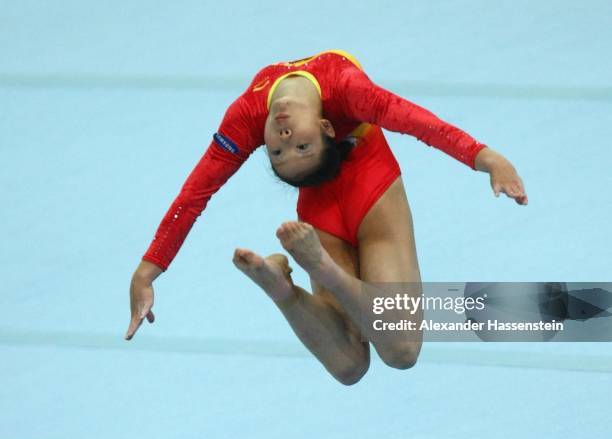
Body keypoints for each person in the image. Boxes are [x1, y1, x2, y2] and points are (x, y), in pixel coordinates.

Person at [126, 50, 528, 385]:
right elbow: (193, 195)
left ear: (327, 126)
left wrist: (485, 158)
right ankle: (303, 276)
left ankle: (288, 283)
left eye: (291, 148)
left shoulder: (339, 90)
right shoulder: (261, 116)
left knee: (389, 353)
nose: (284, 141)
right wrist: (146, 273)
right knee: (354, 364)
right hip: (327, 210)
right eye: (288, 151)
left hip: (369, 190)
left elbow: (421, 124)